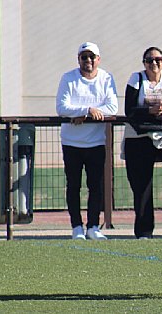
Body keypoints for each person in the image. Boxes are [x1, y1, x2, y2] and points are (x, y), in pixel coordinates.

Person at [56, 42, 118, 240]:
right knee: (73, 185)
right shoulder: (68, 78)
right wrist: (86, 111)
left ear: (98, 59)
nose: (88, 61)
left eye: (92, 57)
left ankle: (93, 226)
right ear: (79, 60)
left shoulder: (106, 78)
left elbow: (112, 107)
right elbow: (62, 107)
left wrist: (87, 112)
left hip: (96, 142)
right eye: (84, 57)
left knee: (96, 186)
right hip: (71, 142)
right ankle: (76, 227)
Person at [123, 47, 162, 239]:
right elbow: (130, 110)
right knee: (142, 182)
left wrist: (155, 114)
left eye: (158, 59)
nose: (154, 63)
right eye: (149, 60)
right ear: (144, 63)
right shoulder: (136, 79)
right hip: (138, 136)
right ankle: (144, 231)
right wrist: (149, 112)